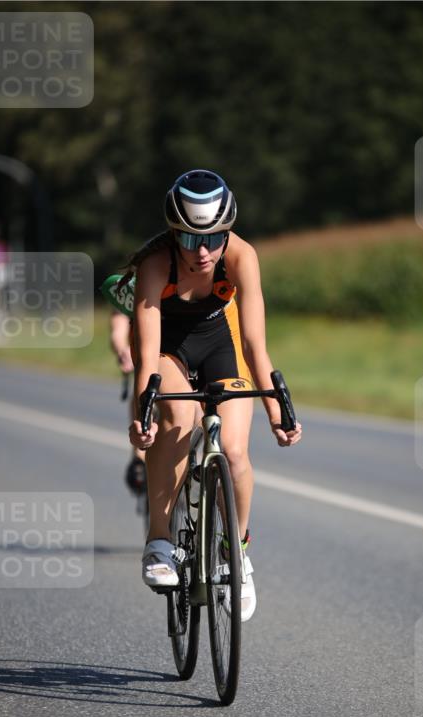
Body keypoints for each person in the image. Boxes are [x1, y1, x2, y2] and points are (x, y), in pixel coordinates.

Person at [127, 168, 302, 621]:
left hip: (218, 343)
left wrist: (276, 411)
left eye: (214, 238)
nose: (202, 252)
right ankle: (160, 541)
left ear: (228, 232)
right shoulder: (154, 266)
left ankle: (236, 554)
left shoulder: (242, 256)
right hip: (168, 347)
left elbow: (254, 346)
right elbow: (146, 359)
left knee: (236, 453)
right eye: (189, 240)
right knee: (178, 421)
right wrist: (141, 416)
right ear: (173, 233)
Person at [108, 308, 147, 496]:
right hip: (145, 349)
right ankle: (139, 455)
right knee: (143, 391)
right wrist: (123, 350)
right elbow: (118, 327)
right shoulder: (129, 283)